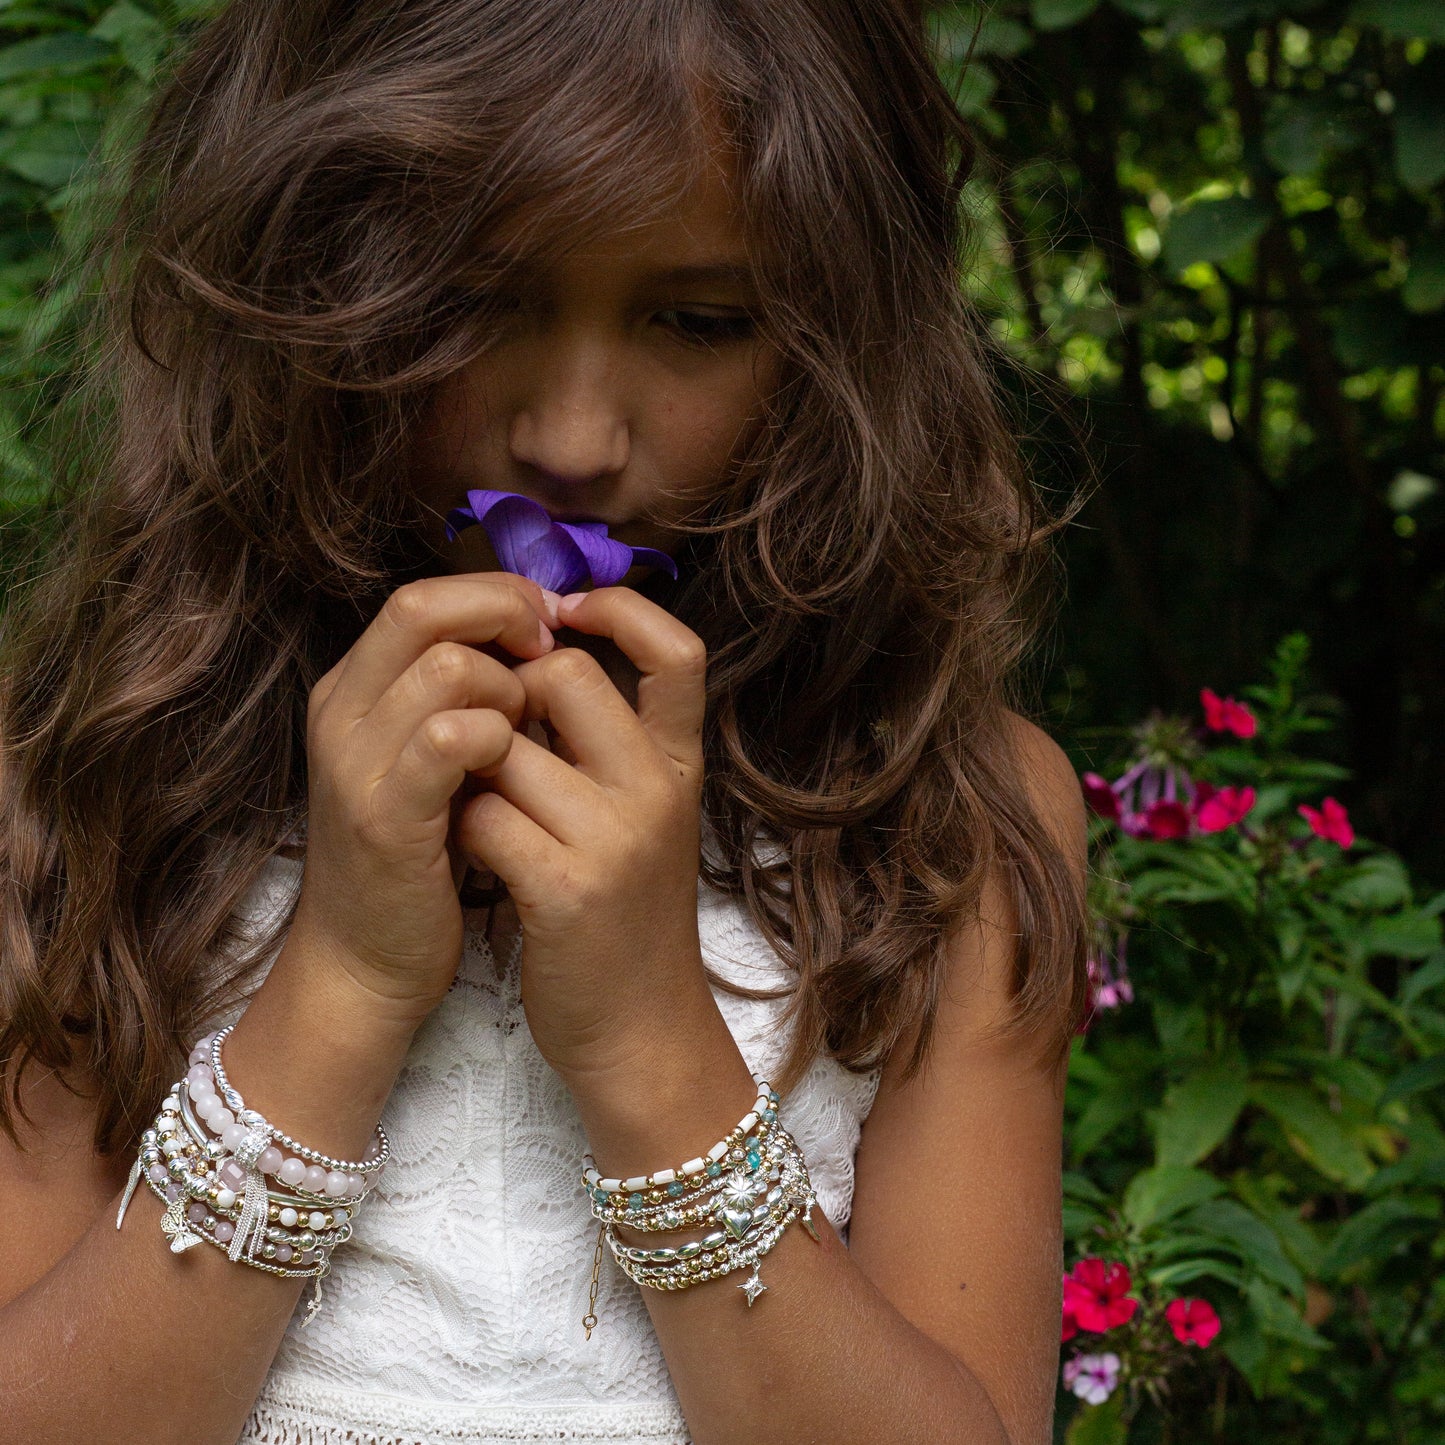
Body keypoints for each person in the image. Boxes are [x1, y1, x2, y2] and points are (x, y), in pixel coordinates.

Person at [0, 0, 1091, 1441]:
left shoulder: (954, 823)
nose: (573, 439)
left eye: (697, 321)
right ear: (301, 279)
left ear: (843, 338)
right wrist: (336, 983)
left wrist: (650, 1041)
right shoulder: (92, 770)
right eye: (483, 300)